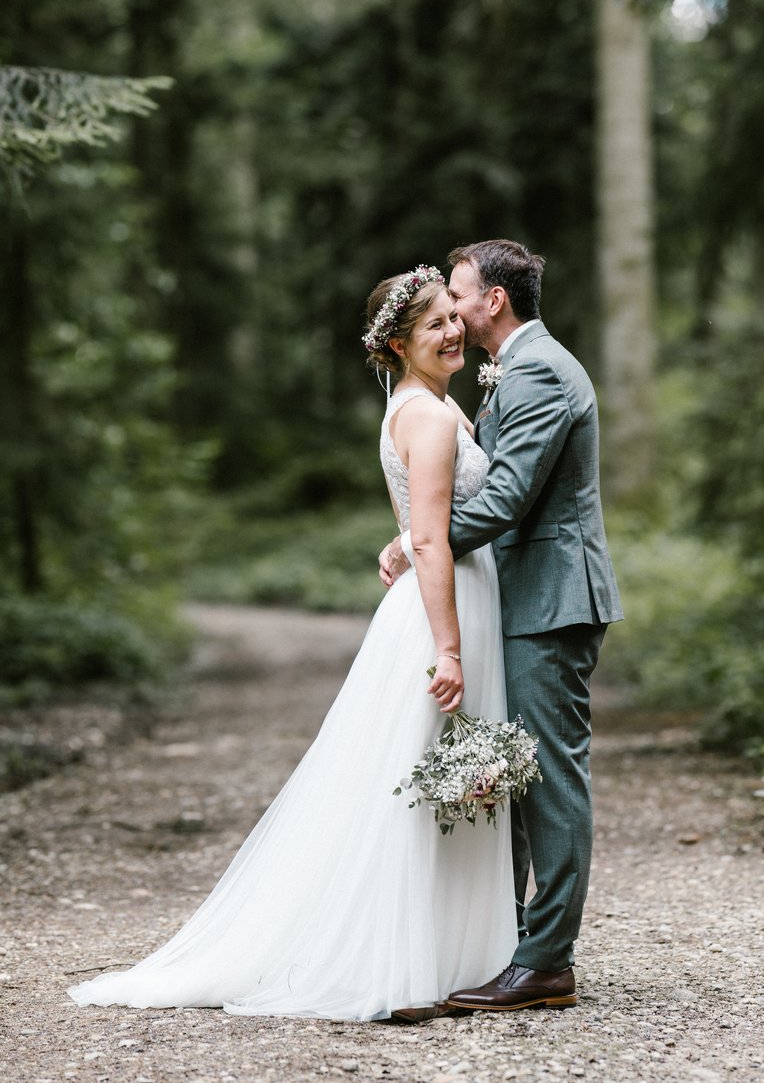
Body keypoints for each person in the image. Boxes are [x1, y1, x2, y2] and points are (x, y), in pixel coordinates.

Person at [68, 266, 517, 1022]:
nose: (451, 332)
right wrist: (450, 648)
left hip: (438, 603)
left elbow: (416, 519)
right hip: (445, 611)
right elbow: (436, 540)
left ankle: (441, 957)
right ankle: (401, 964)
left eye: (452, 317)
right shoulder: (433, 417)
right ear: (398, 345)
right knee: (422, 786)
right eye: (433, 324)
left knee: (428, 781)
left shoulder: (418, 407)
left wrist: (401, 541)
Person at [380, 239, 622, 1013]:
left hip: (553, 599)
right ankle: (511, 940)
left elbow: (508, 497)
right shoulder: (512, 369)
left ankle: (547, 959)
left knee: (550, 777)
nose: (451, 309)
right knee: (518, 776)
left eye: (458, 294)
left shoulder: (541, 369)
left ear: (493, 301)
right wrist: (420, 535)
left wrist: (423, 538)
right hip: (526, 598)